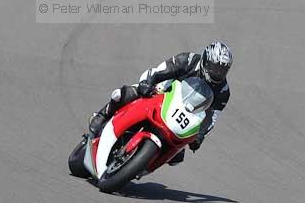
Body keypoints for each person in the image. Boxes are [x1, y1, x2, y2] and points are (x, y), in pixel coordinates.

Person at [88, 40, 232, 163]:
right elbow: (159, 71)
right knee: (124, 94)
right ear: (206, 60)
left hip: (184, 116)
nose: (218, 73)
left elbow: (211, 117)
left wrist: (200, 136)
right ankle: (102, 115)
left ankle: (142, 164)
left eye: (222, 70)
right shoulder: (188, 60)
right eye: (215, 68)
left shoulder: (223, 91)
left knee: (177, 155)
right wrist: (146, 83)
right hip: (161, 93)